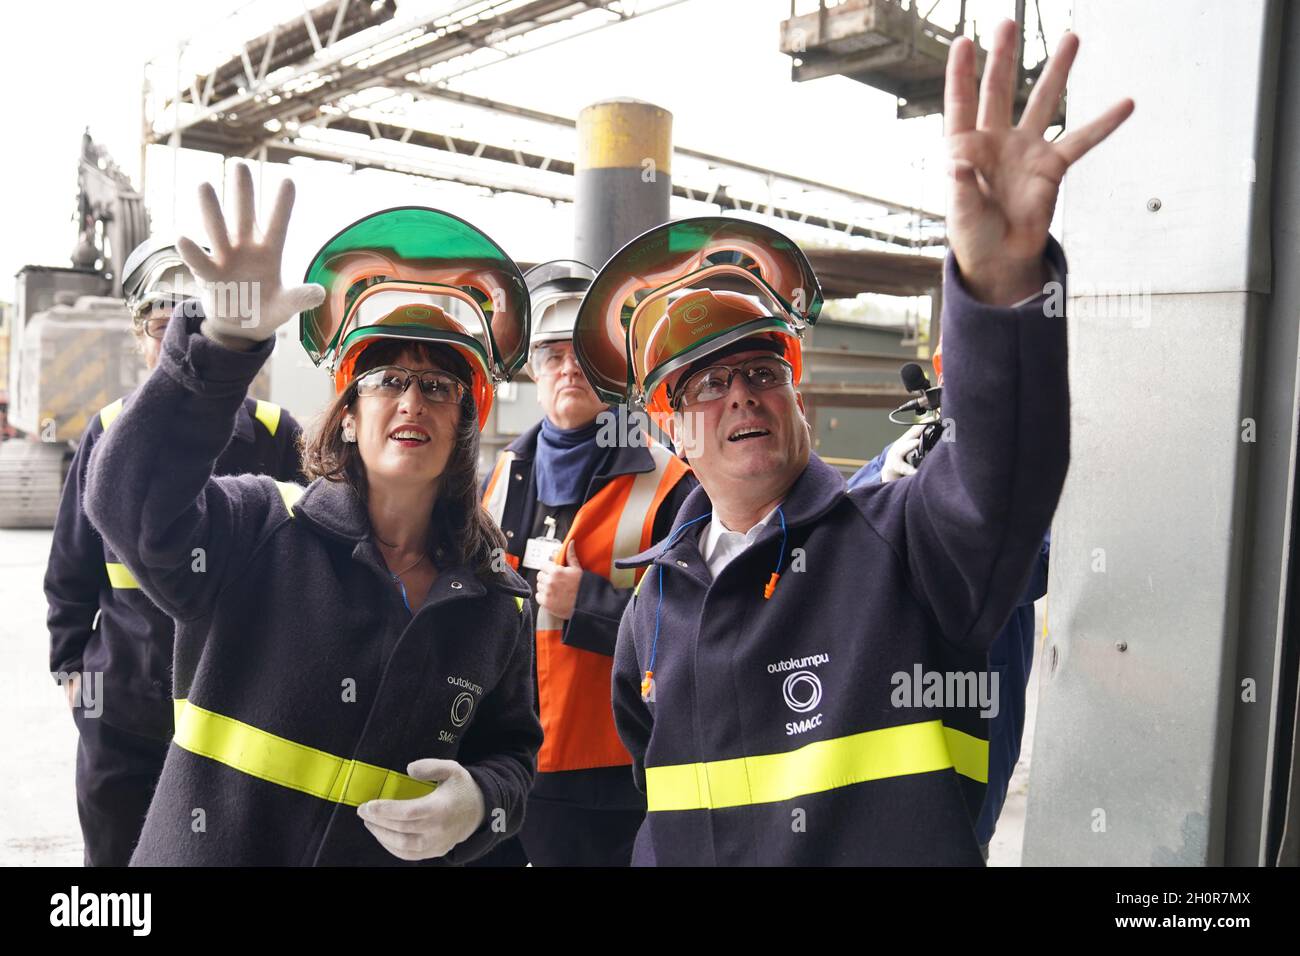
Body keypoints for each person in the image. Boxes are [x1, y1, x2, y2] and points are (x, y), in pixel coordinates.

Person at [583, 22, 1133, 864]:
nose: (741, 396)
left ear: (794, 389)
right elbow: (657, 800)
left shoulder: (905, 539)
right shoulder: (654, 610)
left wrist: (997, 289)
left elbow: (1001, 480)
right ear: (669, 426)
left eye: (761, 368)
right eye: (705, 384)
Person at [82, 169, 542, 865]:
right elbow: (126, 499)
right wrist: (220, 348)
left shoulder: (497, 603)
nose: (413, 402)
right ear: (350, 418)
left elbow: (513, 756)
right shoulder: (259, 528)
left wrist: (481, 802)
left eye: (439, 388)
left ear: (463, 425)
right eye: (388, 381)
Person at [45, 236, 304, 866]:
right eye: (164, 326)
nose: (179, 341)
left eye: (195, 323)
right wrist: (74, 673)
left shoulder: (276, 435)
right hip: (125, 716)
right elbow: (70, 575)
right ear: (140, 338)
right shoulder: (107, 435)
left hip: (235, 716)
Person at [476, 260, 694, 866]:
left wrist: (592, 605)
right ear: (532, 370)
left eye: (583, 354)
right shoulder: (504, 475)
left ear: (614, 369)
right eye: (551, 353)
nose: (567, 367)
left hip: (604, 771)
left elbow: (698, 630)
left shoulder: (672, 484)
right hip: (503, 754)